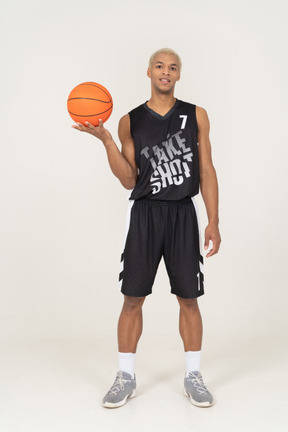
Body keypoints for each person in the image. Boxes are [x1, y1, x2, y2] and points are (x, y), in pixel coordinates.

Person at [72, 48, 221, 408]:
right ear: (149, 72)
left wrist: (213, 220)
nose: (165, 72)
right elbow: (128, 180)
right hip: (144, 214)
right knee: (132, 298)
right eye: (159, 66)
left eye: (172, 67)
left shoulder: (196, 115)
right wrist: (107, 140)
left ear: (179, 75)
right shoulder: (129, 121)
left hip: (183, 213)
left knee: (189, 298)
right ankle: (125, 376)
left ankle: (193, 376)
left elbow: (206, 170)